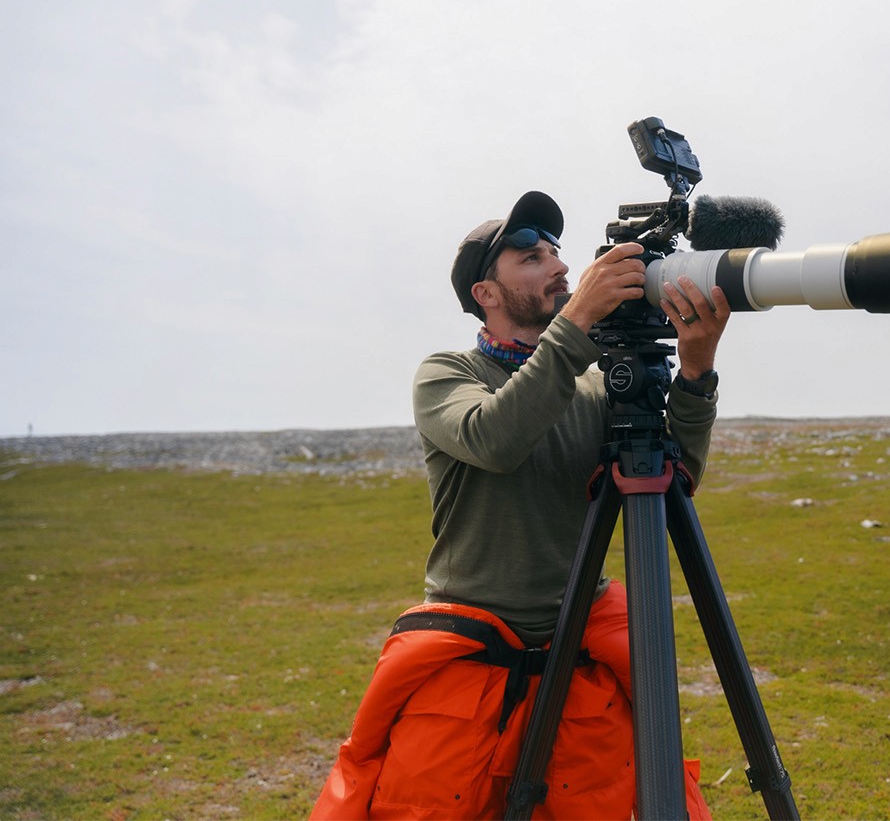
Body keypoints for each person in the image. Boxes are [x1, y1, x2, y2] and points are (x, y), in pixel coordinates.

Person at [312, 191, 730, 820]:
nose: (560, 267)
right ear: (486, 293)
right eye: (532, 258)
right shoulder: (449, 374)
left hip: (581, 659)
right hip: (473, 656)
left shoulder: (593, 384)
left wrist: (696, 368)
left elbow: (673, 479)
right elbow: (495, 438)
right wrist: (578, 323)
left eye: (558, 255)